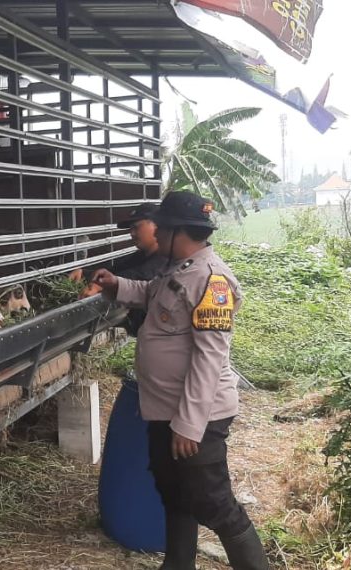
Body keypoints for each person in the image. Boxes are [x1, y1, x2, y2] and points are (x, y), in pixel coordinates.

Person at [91, 191, 268, 570]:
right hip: (165, 409)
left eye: (164, 229)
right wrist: (115, 284)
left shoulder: (212, 281)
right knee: (173, 492)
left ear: (177, 232)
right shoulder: (177, 268)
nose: (158, 236)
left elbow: (209, 358)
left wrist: (190, 425)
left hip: (195, 416)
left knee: (215, 503)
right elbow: (150, 293)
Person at [70, 203, 170, 335]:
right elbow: (115, 270)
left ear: (156, 225)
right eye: (130, 229)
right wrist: (84, 273)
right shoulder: (140, 256)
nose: (132, 234)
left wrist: (103, 284)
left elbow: (141, 274)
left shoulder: (167, 258)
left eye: (136, 227)